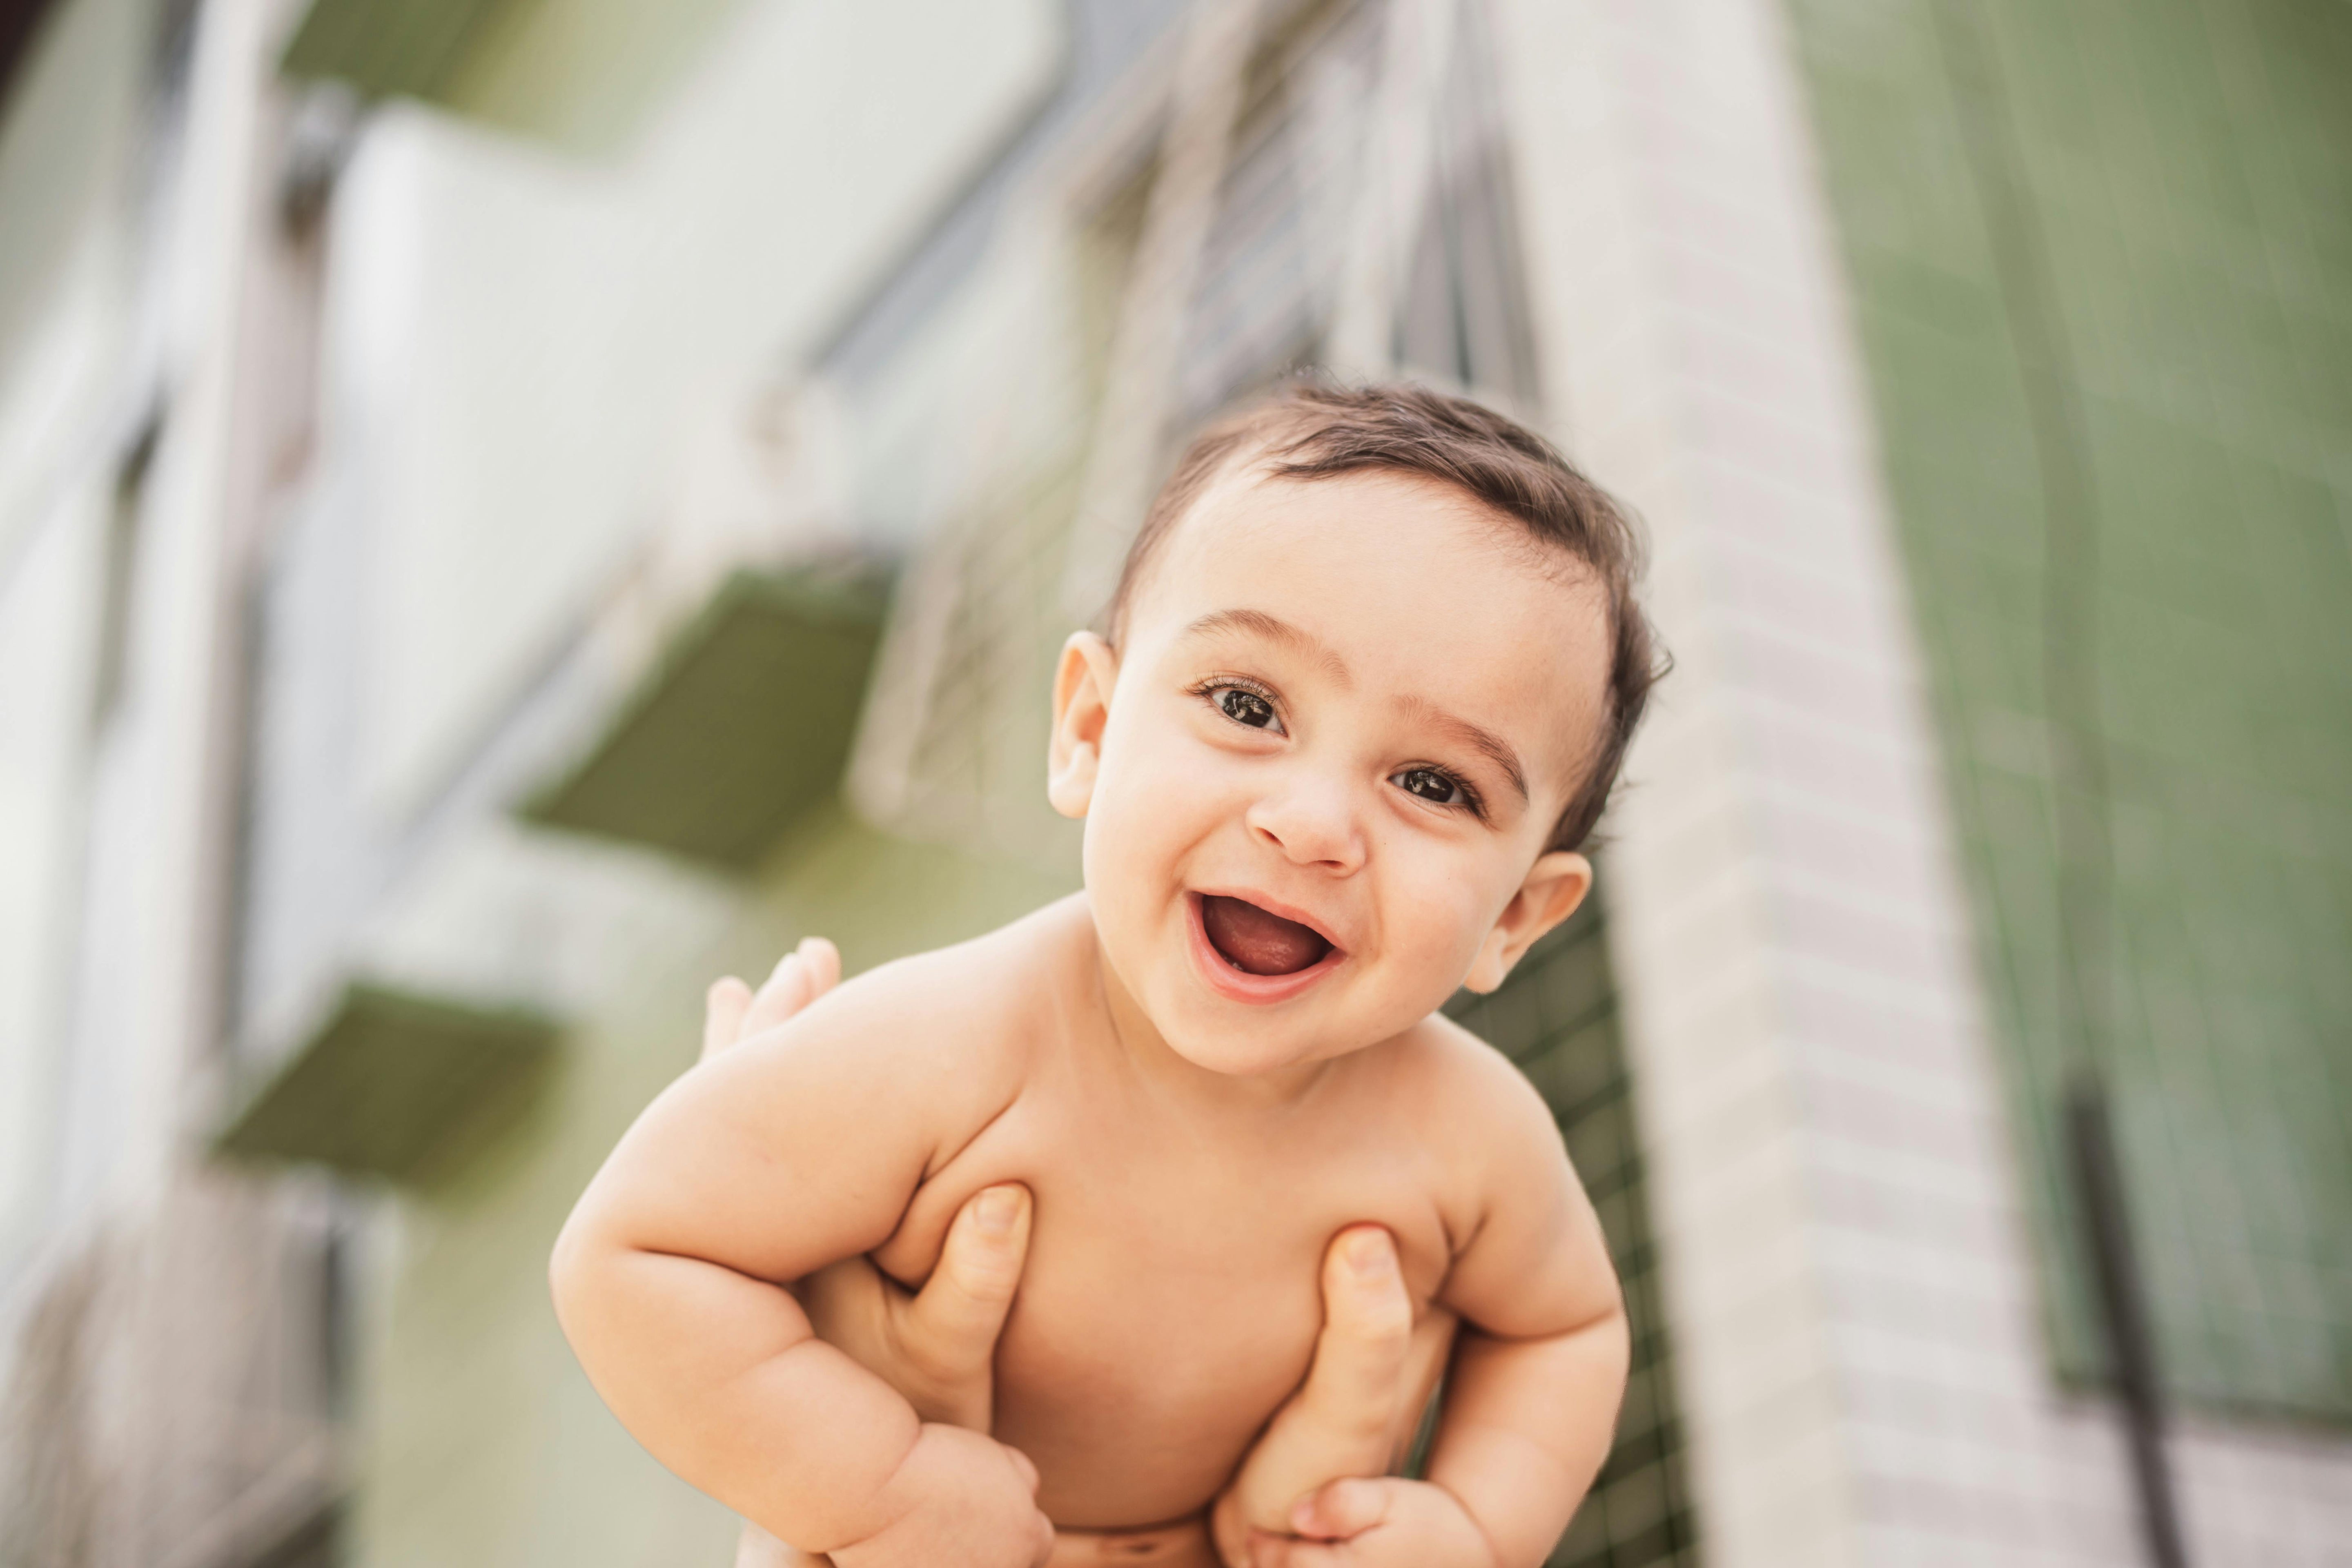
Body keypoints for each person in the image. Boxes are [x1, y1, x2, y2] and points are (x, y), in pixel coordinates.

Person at [551, 381, 1664, 1567]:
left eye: (1436, 785)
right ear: (1088, 728)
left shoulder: (1472, 1135)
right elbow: (634, 1254)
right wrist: (872, 1486)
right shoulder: (952, 1044)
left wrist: (1479, 1530)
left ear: (1519, 920)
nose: (1314, 822)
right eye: (1247, 704)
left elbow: (1569, 1333)